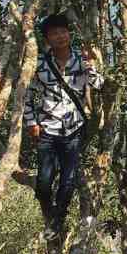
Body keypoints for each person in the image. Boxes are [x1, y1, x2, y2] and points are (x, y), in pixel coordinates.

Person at [19, 14, 104, 239]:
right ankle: (49, 213)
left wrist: (91, 64)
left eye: (63, 31)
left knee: (68, 180)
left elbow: (98, 84)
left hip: (74, 129)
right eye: (54, 33)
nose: (60, 37)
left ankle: (57, 222)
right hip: (48, 128)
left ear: (69, 33)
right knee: (44, 182)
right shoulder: (40, 65)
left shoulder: (80, 60)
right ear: (47, 38)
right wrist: (31, 122)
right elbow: (27, 95)